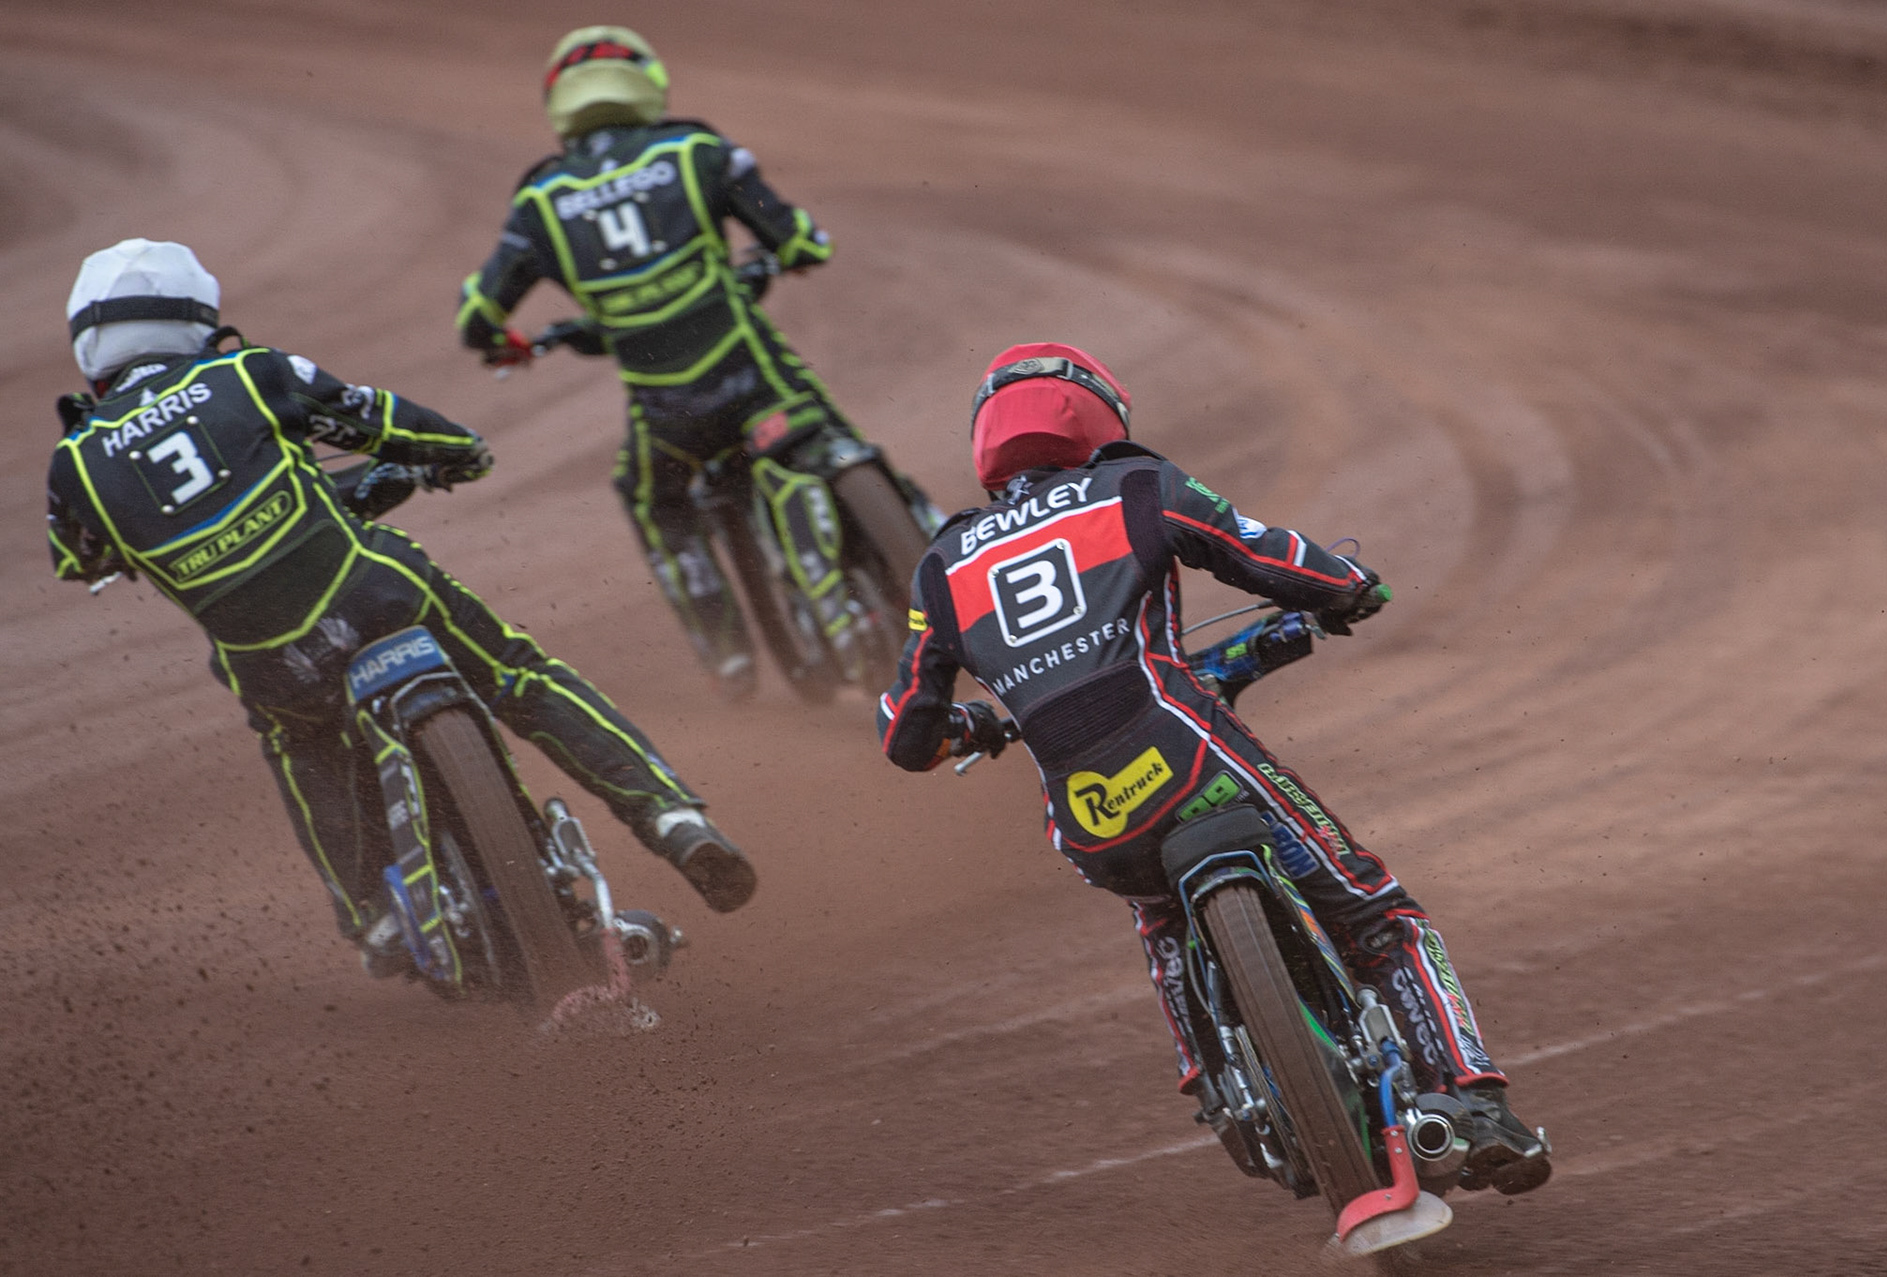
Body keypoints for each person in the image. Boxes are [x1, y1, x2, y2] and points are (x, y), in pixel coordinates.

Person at [876, 343, 1550, 1196]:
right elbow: (1267, 555)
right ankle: (1476, 1101)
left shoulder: (942, 565)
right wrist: (1347, 585)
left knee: (1158, 914)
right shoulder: (1135, 485)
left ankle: (1217, 1080)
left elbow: (904, 732)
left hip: (1089, 818)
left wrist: (970, 726)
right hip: (1196, 758)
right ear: (1091, 415)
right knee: (1380, 917)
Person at [46, 238, 757, 977]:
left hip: (270, 658)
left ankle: (373, 918)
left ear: (91, 348)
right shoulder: (250, 373)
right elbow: (379, 419)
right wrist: (459, 451)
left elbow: (81, 558)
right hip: (372, 590)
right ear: (194, 318)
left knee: (299, 744)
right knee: (516, 673)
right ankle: (672, 818)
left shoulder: (73, 463)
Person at [458, 25, 935, 699]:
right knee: (830, 428)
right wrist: (795, 253)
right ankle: (935, 543)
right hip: (757, 383)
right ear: (646, 83)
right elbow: (798, 240)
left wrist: (505, 343)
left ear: (559, 103)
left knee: (650, 496)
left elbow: (477, 317)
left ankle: (728, 656)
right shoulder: (696, 150)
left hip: (671, 420)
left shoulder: (538, 200)